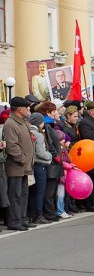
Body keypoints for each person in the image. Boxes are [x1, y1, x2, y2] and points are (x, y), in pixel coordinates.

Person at [4, 97, 35, 231]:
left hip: (25, 166)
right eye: (26, 108)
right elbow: (12, 146)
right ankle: (14, 221)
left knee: (23, 194)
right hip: (16, 166)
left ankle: (22, 219)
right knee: (15, 195)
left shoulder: (23, 122)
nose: (28, 110)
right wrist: (22, 159)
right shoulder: (10, 124)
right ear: (20, 109)